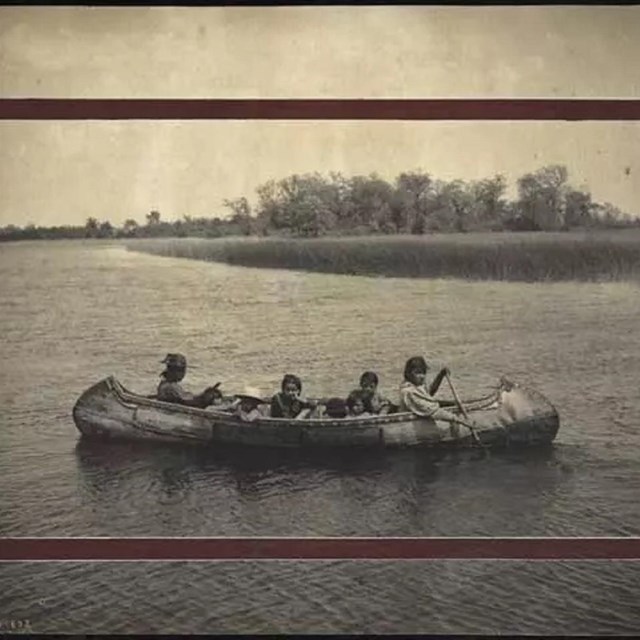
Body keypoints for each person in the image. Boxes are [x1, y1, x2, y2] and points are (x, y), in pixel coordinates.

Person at [398, 355, 471, 438]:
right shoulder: (408, 391)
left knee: (451, 404)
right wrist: (460, 420)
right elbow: (433, 411)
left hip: (425, 412)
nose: (422, 376)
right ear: (408, 374)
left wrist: (440, 376)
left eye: (423, 372)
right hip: (414, 424)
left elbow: (429, 393)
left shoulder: (416, 386)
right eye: (417, 373)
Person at [156, 353, 222, 408]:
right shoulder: (169, 387)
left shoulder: (167, 384)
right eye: (180, 370)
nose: (182, 374)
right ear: (171, 371)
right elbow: (189, 402)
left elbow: (186, 398)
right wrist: (206, 397)